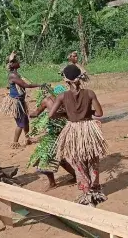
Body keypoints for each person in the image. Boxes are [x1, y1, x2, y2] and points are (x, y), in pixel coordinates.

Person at [49, 64, 108, 207]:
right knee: (93, 160)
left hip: (73, 130)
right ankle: (95, 189)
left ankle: (86, 192)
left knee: (77, 162)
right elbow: (100, 114)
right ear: (80, 78)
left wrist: (65, 113)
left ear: (66, 80)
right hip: (88, 129)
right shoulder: (89, 93)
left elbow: (51, 115)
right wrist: (89, 113)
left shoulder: (62, 96)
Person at [28, 85, 76, 190]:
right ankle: (75, 176)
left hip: (58, 134)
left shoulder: (49, 101)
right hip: (58, 133)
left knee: (46, 157)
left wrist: (31, 115)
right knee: (59, 158)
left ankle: (53, 183)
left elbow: (36, 113)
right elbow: (36, 113)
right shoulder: (65, 102)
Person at [0, 51, 41, 149]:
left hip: (20, 101)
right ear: (13, 64)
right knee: (20, 123)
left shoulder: (15, 74)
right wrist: (39, 85)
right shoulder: (13, 75)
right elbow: (25, 85)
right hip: (16, 102)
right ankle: (15, 142)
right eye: (17, 61)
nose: (19, 62)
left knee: (25, 121)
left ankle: (27, 138)